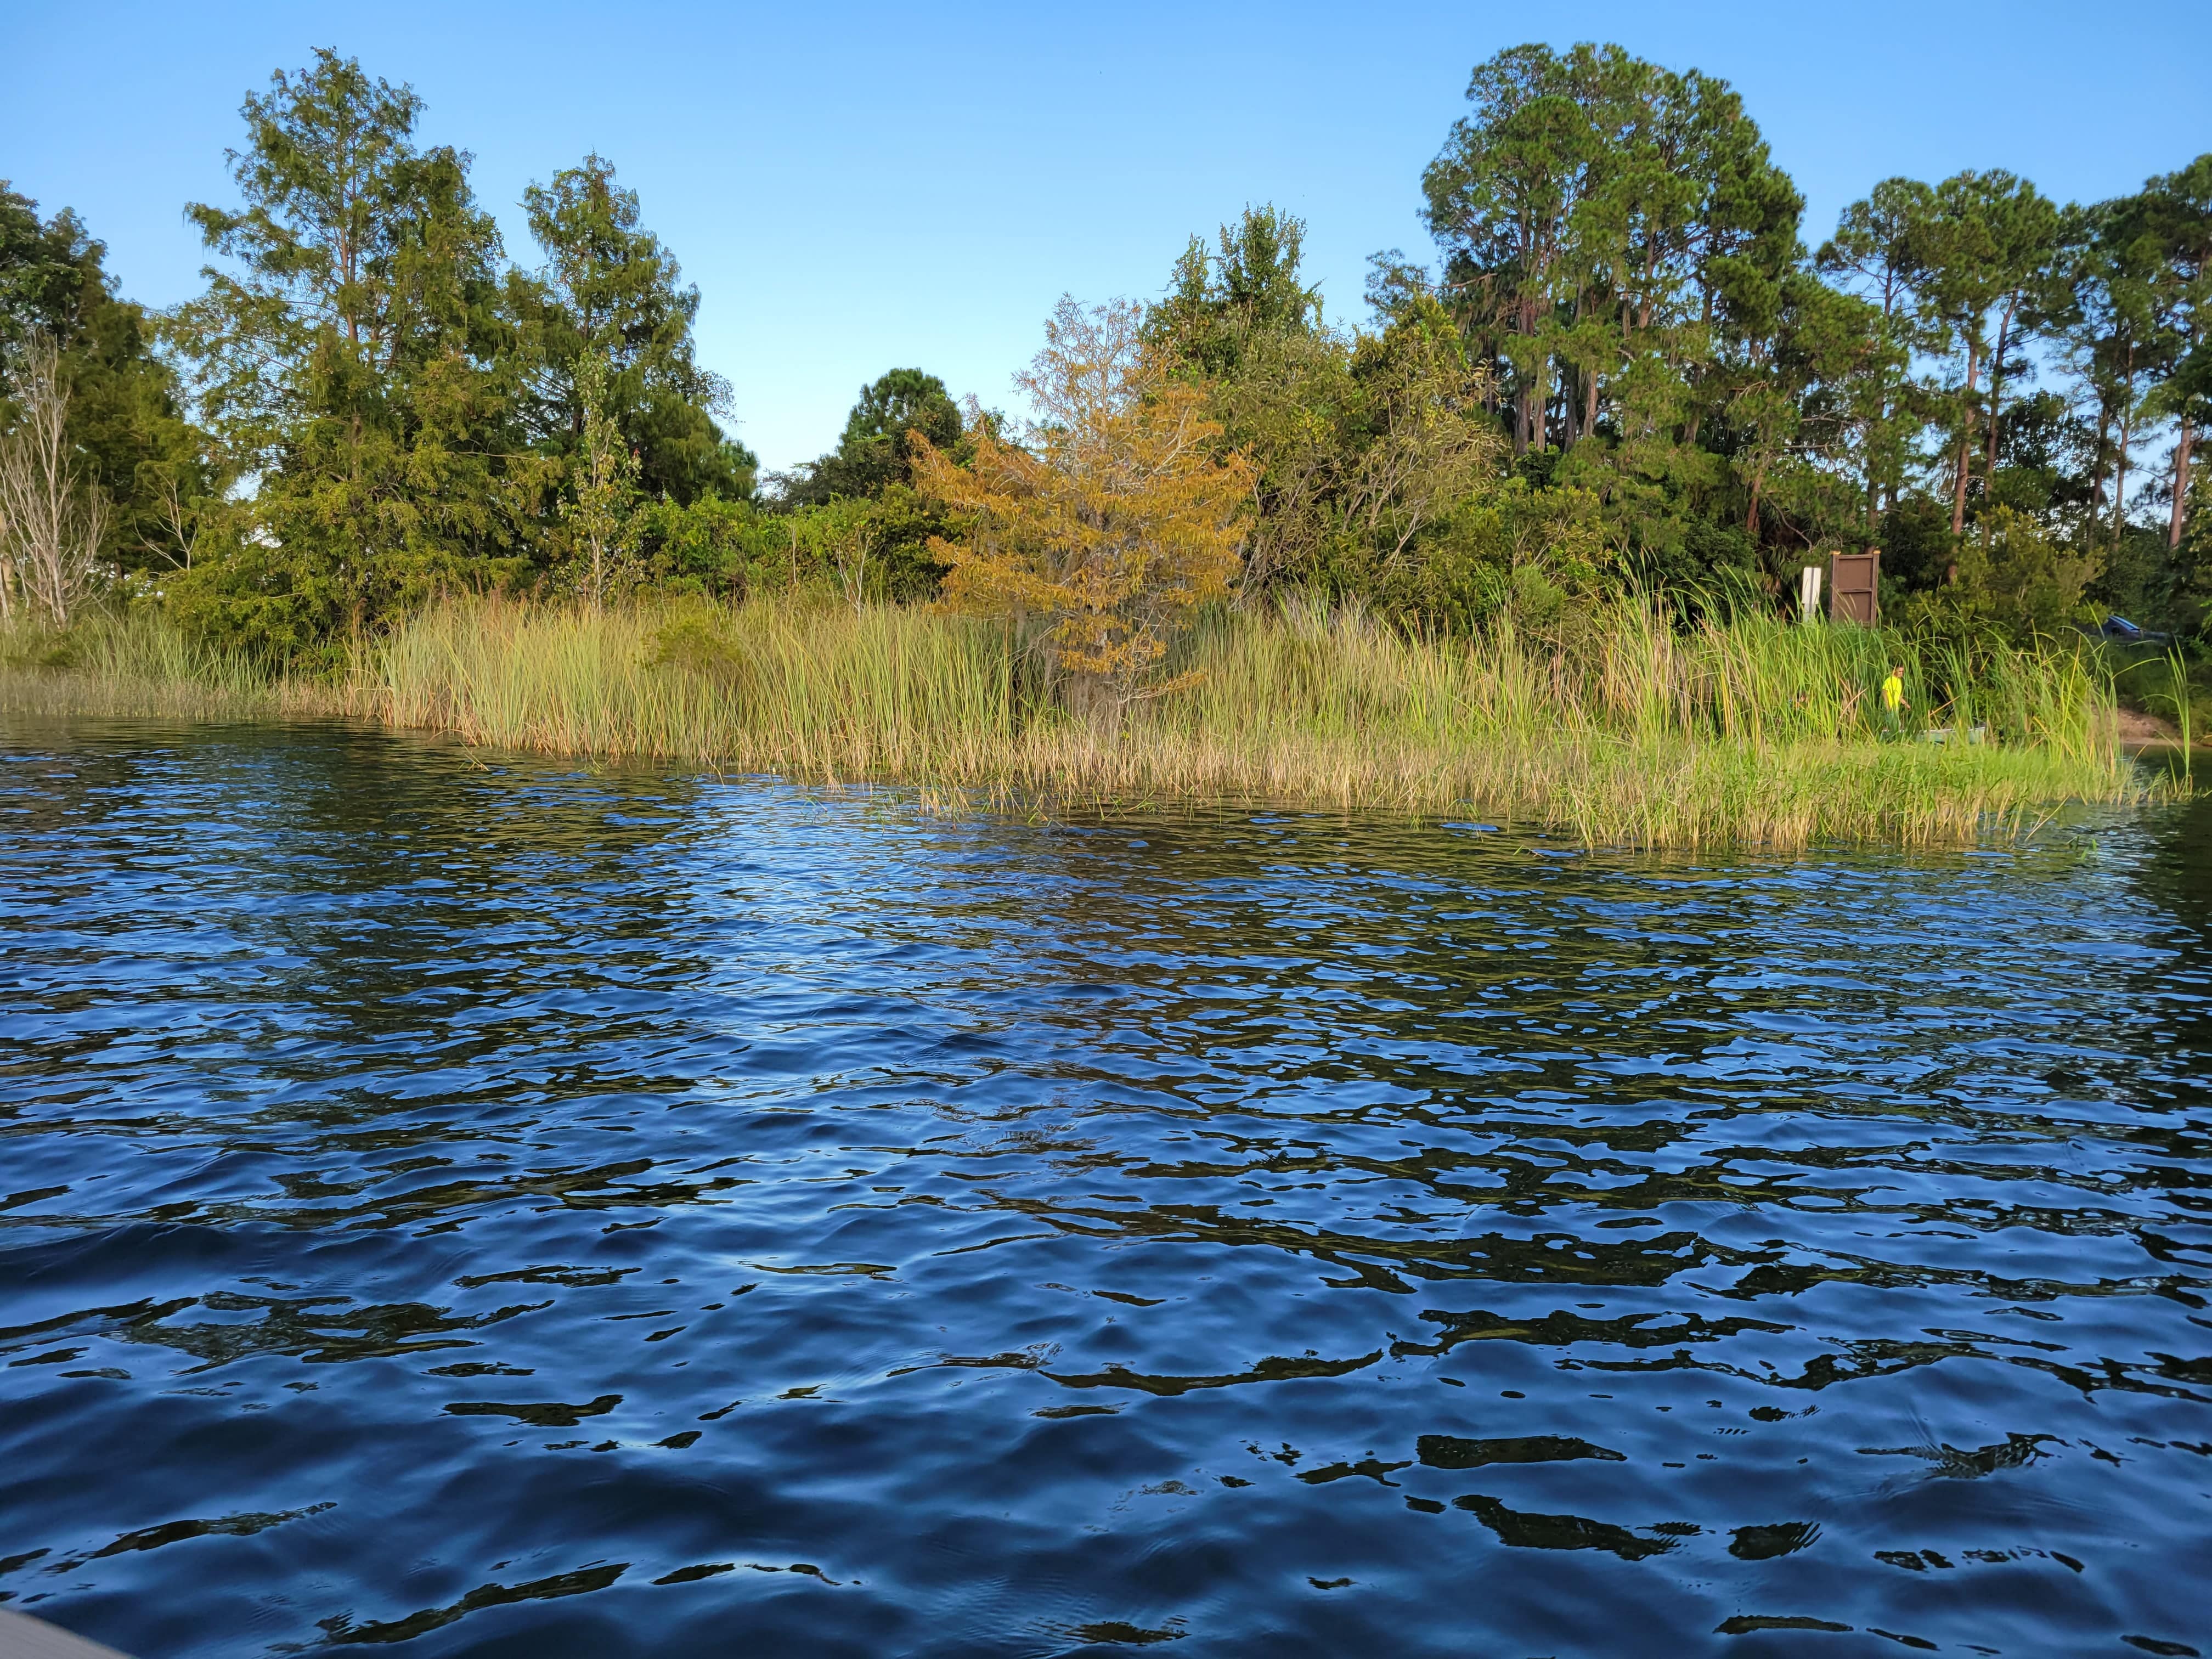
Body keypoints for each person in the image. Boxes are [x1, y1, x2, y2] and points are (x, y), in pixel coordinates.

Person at [1880, 663, 1908, 736]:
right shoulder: (1890, 680)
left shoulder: (1899, 681)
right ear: (1895, 671)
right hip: (1890, 706)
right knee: (1895, 725)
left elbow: (1898, 696)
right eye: (1899, 671)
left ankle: (1886, 739)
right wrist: (1887, 706)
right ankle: (1885, 738)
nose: (1901, 673)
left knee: (1892, 725)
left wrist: (1905, 704)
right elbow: (1884, 692)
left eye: (1902, 672)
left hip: (1895, 707)